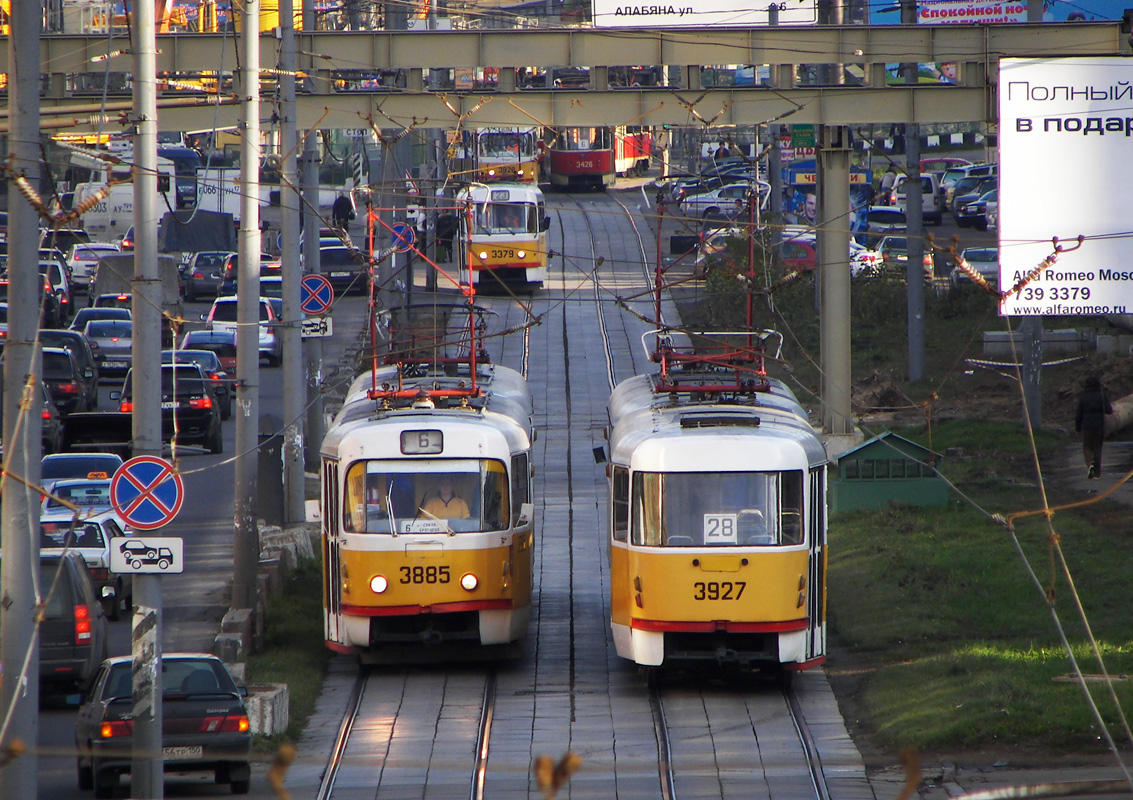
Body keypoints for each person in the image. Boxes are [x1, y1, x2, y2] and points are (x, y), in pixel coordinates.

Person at [1075, 375, 1113, 479]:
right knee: (1097, 448)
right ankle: (1097, 473)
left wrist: (1077, 428)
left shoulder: (1083, 396)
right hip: (1099, 425)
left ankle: (1089, 464)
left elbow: (1079, 413)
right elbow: (1109, 410)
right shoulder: (1102, 395)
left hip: (1087, 425)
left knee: (1087, 446)